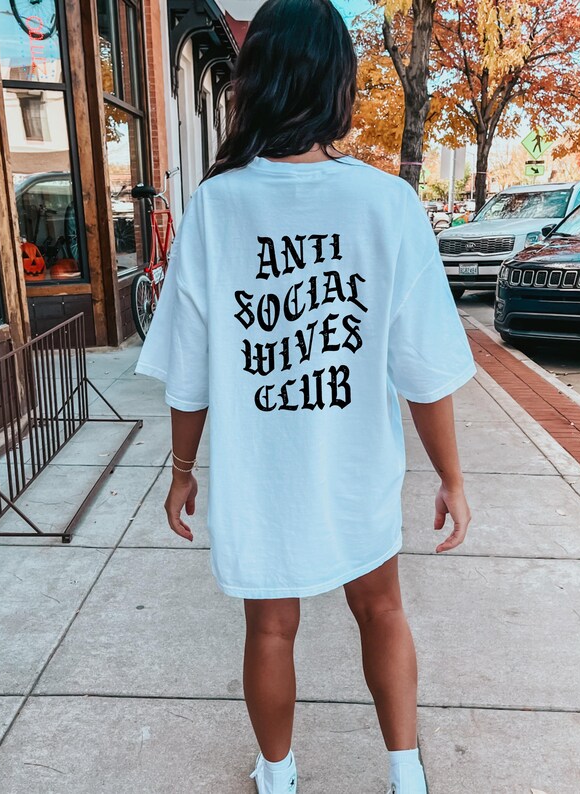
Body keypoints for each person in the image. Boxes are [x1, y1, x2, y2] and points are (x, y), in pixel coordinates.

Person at [135, 1, 476, 791]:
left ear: (254, 81)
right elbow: (422, 368)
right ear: (337, 85)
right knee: (382, 608)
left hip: (262, 469)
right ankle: (406, 775)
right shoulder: (387, 204)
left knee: (270, 625)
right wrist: (452, 477)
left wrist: (182, 468)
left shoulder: (216, 207)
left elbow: (192, 369)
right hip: (355, 463)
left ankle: (279, 779)